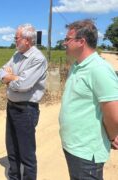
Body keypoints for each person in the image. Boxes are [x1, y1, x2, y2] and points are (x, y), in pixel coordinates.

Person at [59, 19, 118, 179]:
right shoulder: (77, 66)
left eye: (67, 39)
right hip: (73, 147)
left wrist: (112, 136)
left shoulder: (99, 69)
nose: (64, 43)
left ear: (81, 42)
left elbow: (113, 115)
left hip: (86, 151)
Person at [0, 24, 48, 180]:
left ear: (27, 40)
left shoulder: (37, 58)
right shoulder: (16, 54)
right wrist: (13, 78)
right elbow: (0, 71)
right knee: (12, 149)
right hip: (11, 107)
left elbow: (24, 86)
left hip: (26, 110)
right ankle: (14, 177)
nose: (14, 40)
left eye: (16, 37)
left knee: (26, 153)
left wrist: (11, 78)